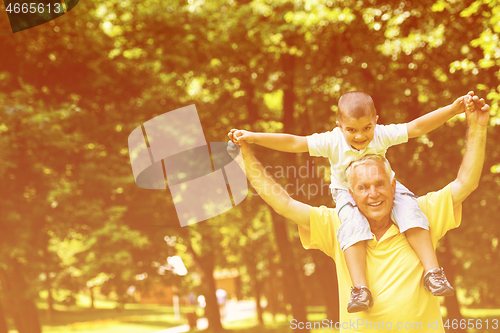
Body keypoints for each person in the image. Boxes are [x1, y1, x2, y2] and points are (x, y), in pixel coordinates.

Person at [227, 94, 489, 332]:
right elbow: (283, 201)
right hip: (345, 215)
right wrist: (248, 152)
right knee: (352, 227)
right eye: (363, 188)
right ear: (351, 194)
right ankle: (359, 289)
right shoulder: (337, 223)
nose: (373, 194)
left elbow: (464, 181)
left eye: (379, 184)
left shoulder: (420, 213)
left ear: (393, 184)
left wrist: (475, 126)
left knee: (412, 214)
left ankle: (434, 273)